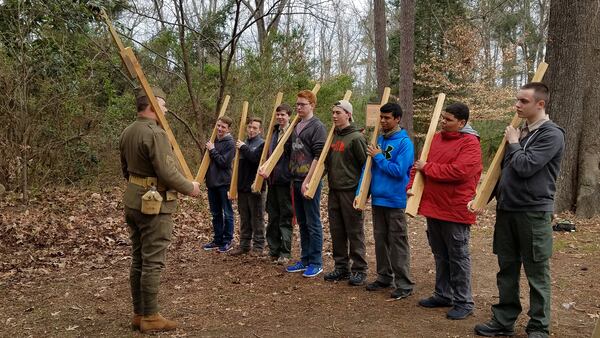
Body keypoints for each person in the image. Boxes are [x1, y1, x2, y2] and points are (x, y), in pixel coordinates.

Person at [475, 82, 565, 338]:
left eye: (523, 101)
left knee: (537, 273)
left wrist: (514, 143)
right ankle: (503, 320)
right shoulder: (520, 131)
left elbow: (526, 166)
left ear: (541, 104)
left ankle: (538, 327)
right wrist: (483, 199)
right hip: (507, 210)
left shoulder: (552, 134)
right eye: (517, 100)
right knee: (507, 269)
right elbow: (504, 172)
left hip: (533, 212)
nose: (517, 105)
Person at [119, 87, 200, 333]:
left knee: (139, 258)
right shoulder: (155, 133)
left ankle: (138, 313)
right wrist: (191, 188)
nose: (166, 111)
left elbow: (125, 168)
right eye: (163, 106)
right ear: (152, 107)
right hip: (153, 204)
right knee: (152, 261)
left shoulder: (127, 131)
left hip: (133, 199)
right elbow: (168, 172)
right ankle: (151, 317)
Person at [407, 102, 482, 320]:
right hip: (434, 207)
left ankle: (464, 301)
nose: (443, 122)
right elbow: (418, 166)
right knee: (440, 254)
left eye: (448, 120)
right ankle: (443, 293)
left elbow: (460, 171)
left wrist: (427, 168)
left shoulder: (470, 143)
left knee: (458, 256)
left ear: (462, 122)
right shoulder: (435, 138)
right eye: (443, 118)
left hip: (456, 210)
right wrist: (410, 187)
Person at [358, 102, 415, 300]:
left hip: (395, 200)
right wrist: (361, 194)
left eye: (387, 118)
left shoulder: (404, 143)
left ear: (397, 119)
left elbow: (399, 172)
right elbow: (369, 170)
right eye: (381, 117)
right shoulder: (379, 139)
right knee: (381, 241)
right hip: (378, 199)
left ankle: (404, 283)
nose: (383, 121)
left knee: (397, 242)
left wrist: (380, 157)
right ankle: (384, 276)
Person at [323, 100, 369, 286]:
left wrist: (363, 194)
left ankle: (359, 269)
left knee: (354, 231)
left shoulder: (356, 138)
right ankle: (341, 267)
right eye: (333, 112)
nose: (334, 116)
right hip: (334, 190)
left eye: (338, 113)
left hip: (350, 192)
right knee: (336, 231)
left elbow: (365, 167)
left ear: (348, 115)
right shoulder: (332, 136)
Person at [285, 90, 327, 278]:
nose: (299, 107)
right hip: (295, 179)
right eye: (297, 104)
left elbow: (319, 156)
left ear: (312, 105)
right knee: (301, 222)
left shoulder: (317, 126)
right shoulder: (295, 125)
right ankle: (305, 258)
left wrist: (309, 180)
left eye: (303, 104)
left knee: (312, 221)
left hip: (309, 181)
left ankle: (316, 262)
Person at [230, 117, 266, 256]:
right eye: (250, 127)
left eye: (255, 128)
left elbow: (255, 159)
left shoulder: (262, 144)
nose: (251, 130)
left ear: (260, 130)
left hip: (255, 188)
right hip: (242, 187)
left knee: (257, 218)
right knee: (244, 218)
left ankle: (258, 246)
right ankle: (244, 245)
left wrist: (243, 147)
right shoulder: (243, 143)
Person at [264, 104, 294, 265]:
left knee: (285, 217)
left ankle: (285, 252)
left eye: (283, 115)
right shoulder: (273, 132)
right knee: (273, 216)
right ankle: (273, 250)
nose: (280, 117)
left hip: (285, 180)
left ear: (289, 116)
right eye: (278, 115)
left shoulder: (292, 133)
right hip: (272, 180)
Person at [201, 116, 236, 253]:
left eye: (223, 127)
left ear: (228, 129)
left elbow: (224, 163)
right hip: (212, 182)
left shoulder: (230, 143)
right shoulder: (213, 140)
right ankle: (217, 239)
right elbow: (206, 161)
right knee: (215, 213)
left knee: (227, 213)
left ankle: (228, 240)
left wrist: (212, 149)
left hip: (224, 183)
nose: (220, 129)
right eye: (218, 126)